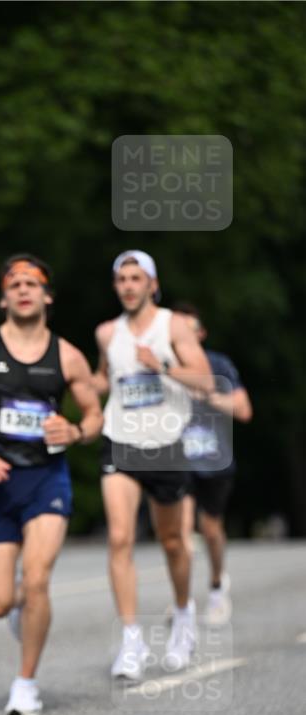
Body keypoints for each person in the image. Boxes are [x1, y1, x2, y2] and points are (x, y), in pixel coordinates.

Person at [0, 254, 103, 715]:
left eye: (33, 283)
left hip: (46, 479)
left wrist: (74, 432)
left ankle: (25, 683)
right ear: (3, 297)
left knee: (37, 579)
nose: (24, 289)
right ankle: (19, 613)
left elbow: (95, 416)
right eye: (15, 283)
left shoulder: (68, 355)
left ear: (47, 296)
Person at [92, 251, 214, 681]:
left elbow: (205, 380)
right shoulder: (107, 332)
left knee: (173, 543)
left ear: (152, 284)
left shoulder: (173, 326)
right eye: (121, 278)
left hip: (165, 443)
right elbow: (104, 378)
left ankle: (183, 617)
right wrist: (81, 386)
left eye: (135, 278)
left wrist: (161, 365)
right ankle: (131, 640)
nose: (128, 285)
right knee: (120, 537)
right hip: (120, 441)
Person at [173, 302, 253, 625]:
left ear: (201, 334)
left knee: (209, 529)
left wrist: (209, 397)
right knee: (180, 532)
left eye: (191, 330)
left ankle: (218, 585)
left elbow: (244, 410)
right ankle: (184, 600)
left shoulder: (219, 365)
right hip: (177, 461)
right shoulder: (165, 367)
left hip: (214, 459)